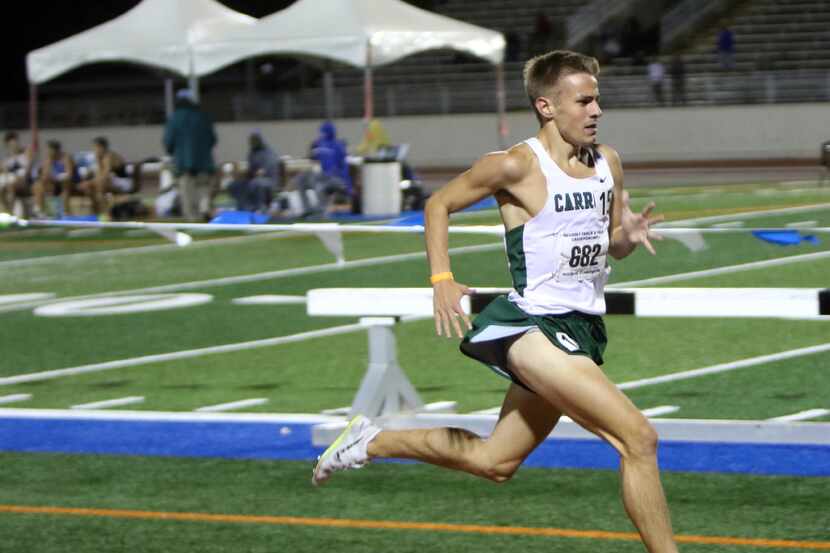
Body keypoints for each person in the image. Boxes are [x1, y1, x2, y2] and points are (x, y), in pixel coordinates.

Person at [313, 50, 678, 553]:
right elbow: (437, 203)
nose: (596, 111)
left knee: (495, 463)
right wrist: (442, 277)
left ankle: (369, 441)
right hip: (533, 327)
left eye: (598, 100)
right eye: (585, 101)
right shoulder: (514, 165)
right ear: (547, 106)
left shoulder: (607, 163)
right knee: (638, 439)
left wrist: (627, 235)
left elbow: (612, 243)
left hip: (582, 328)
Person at [163, 89, 217, 220]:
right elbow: (213, 139)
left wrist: (174, 152)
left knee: (187, 191)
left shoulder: (174, 118)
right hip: (204, 161)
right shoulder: (202, 116)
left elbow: (168, 141)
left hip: (183, 162)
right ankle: (204, 208)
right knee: (203, 187)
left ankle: (193, 217)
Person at [76, 136, 134, 216]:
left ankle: (106, 213)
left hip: (124, 182)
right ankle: (96, 212)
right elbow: (93, 174)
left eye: (95, 147)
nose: (94, 150)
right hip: (110, 181)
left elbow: (105, 175)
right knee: (88, 187)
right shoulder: (98, 157)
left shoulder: (109, 156)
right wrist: (86, 181)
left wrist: (90, 182)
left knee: (100, 184)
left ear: (102, 147)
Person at [227, 131, 281, 213]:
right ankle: (243, 207)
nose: (252, 142)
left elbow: (264, 170)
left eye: (254, 140)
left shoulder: (268, 153)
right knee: (235, 185)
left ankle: (259, 208)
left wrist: (257, 173)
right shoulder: (252, 153)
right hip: (253, 179)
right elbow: (250, 170)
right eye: (251, 140)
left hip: (269, 180)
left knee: (256, 183)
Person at [32, 140, 76, 218]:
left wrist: (55, 177)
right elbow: (45, 175)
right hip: (54, 185)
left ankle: (66, 212)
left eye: (49, 150)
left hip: (68, 184)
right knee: (38, 185)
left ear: (56, 150)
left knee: (65, 184)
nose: (48, 152)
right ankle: (39, 211)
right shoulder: (48, 160)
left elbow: (69, 175)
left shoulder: (66, 158)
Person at [0, 131, 35, 216]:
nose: (13, 145)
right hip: (11, 182)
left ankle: (11, 212)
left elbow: (28, 171)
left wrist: (20, 179)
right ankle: (7, 211)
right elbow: (5, 173)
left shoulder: (27, 152)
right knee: (3, 187)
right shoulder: (7, 158)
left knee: (11, 185)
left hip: (25, 182)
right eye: (10, 143)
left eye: (14, 142)